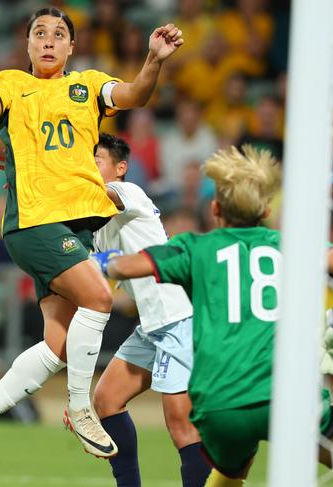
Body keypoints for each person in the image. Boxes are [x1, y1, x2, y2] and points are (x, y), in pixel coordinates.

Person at [0, 6, 184, 467]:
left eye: (59, 34)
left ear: (71, 46)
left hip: (75, 227)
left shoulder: (89, 84)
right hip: (35, 223)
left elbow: (133, 94)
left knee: (58, 343)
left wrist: (154, 60)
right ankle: (79, 407)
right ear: (28, 43)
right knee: (99, 298)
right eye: (39, 33)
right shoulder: (11, 83)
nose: (49, 40)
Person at [92, 145, 333, 486]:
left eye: (95, 160)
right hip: (281, 383)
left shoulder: (194, 243)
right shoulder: (289, 244)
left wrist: (102, 262)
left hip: (195, 348)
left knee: (188, 431)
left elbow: (132, 264)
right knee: (107, 398)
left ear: (215, 209)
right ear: (266, 209)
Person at [89, 133, 209, 487]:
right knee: (107, 399)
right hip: (153, 322)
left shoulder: (128, 193)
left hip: (177, 317)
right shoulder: (96, 222)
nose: (88, 168)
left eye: (96, 161)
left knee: (181, 427)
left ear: (120, 167)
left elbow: (100, 194)